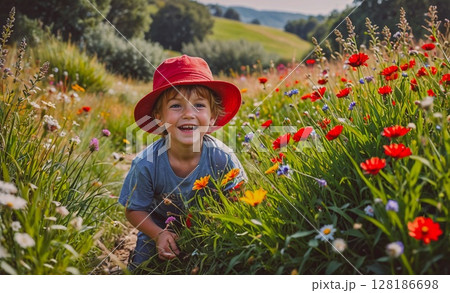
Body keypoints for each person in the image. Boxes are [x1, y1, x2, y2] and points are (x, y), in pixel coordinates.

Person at [119, 55, 247, 272]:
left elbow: (238, 195)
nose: (189, 114)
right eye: (176, 106)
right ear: (159, 117)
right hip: (159, 227)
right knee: (142, 269)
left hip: (210, 227)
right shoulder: (146, 164)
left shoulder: (222, 157)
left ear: (213, 116)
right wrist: (158, 234)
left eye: (199, 105)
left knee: (228, 265)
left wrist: (219, 226)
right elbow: (134, 209)